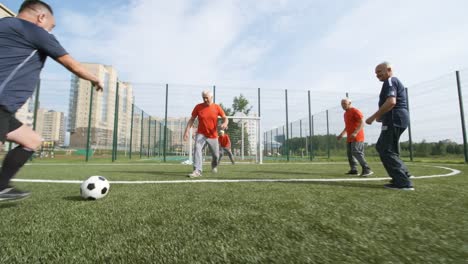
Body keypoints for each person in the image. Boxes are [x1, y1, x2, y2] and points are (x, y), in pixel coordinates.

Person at [0, 0, 104, 201]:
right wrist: (94, 78)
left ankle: (1, 186)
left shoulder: (4, 25)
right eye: (52, 25)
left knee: (32, 140)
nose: (50, 30)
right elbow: (70, 63)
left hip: (4, 108)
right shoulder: (34, 31)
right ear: (41, 18)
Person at [365, 62, 413, 191]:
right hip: (396, 118)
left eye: (379, 71)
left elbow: (391, 101)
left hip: (395, 118)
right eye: (376, 73)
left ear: (389, 69)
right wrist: (381, 116)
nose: (377, 75)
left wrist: (374, 117)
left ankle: (403, 182)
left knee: (384, 148)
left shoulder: (390, 81)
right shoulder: (391, 82)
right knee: (389, 148)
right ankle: (403, 174)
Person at [184, 90, 228, 178]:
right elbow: (192, 119)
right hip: (201, 134)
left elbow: (225, 118)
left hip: (213, 135)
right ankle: (197, 170)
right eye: (203, 97)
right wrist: (187, 131)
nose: (205, 99)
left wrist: (225, 123)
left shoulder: (217, 107)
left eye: (206, 98)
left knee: (216, 155)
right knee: (197, 148)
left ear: (211, 98)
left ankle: (214, 165)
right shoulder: (198, 107)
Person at [337, 98, 373, 177]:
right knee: (350, 153)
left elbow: (362, 123)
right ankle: (354, 170)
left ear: (350, 103)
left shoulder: (355, 111)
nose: (343, 105)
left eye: (345, 103)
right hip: (350, 137)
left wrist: (355, 133)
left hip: (357, 137)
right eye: (342, 104)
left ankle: (367, 169)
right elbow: (347, 126)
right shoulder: (345, 114)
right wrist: (342, 134)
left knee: (356, 152)